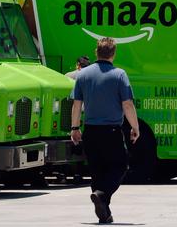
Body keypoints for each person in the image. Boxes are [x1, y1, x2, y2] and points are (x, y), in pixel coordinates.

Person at [70, 37, 140, 224]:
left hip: (90, 132)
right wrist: (135, 127)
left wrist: (75, 128)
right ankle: (102, 196)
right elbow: (127, 104)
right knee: (120, 166)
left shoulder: (82, 75)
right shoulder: (119, 75)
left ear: (96, 52)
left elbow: (77, 105)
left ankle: (104, 213)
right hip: (111, 132)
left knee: (97, 172)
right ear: (113, 53)